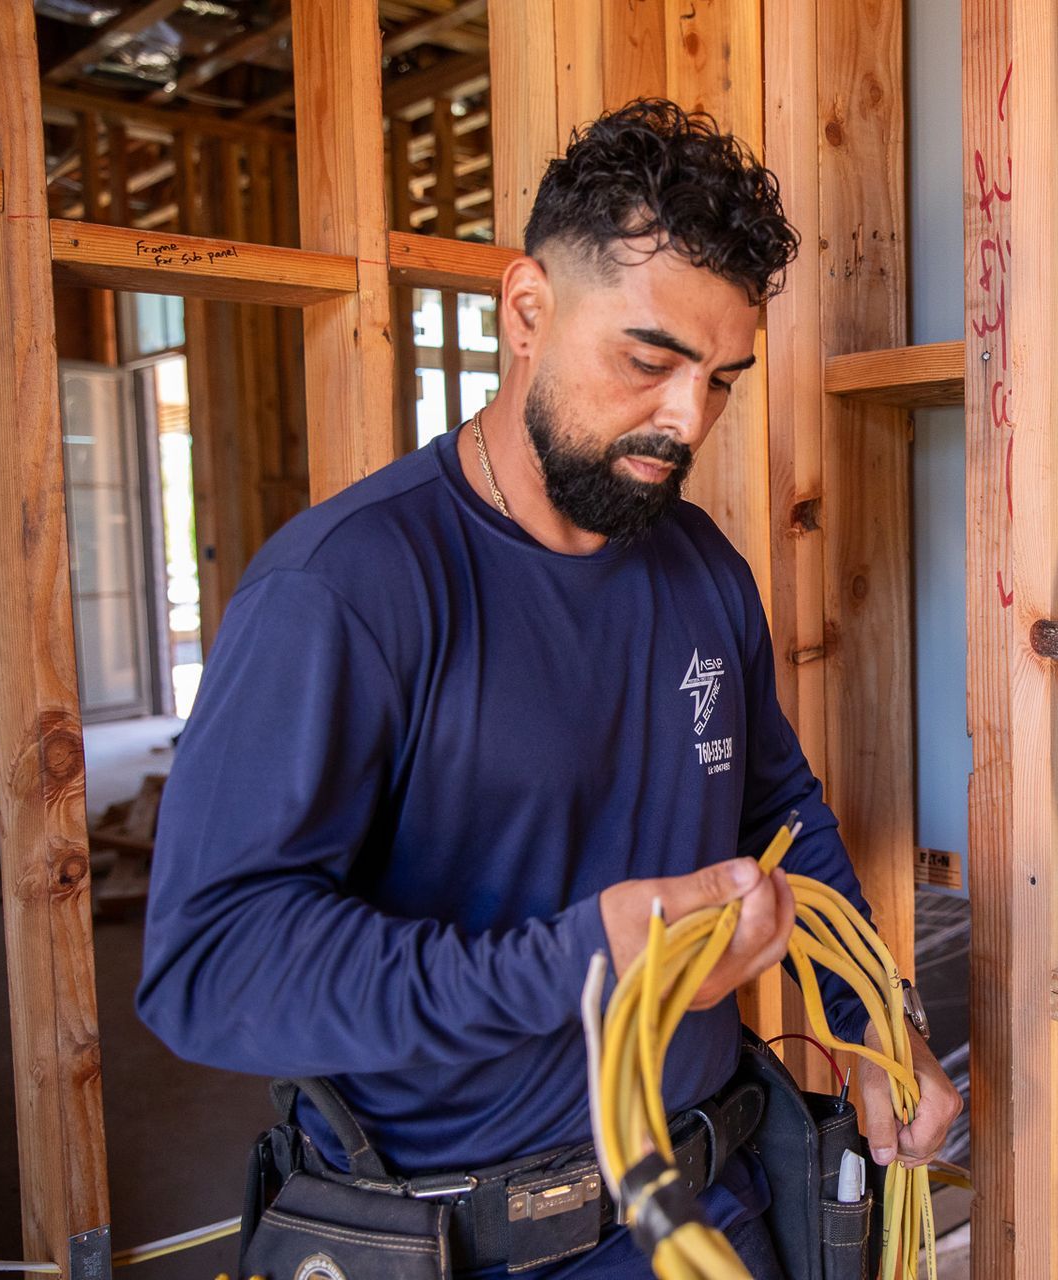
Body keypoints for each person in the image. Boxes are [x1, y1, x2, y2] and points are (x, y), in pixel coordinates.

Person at [137, 99, 962, 1278]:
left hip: (709, 1203)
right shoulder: (349, 590)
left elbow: (778, 815)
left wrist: (873, 1023)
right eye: (650, 359)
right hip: (459, 1240)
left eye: (723, 379)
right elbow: (209, 964)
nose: (688, 419)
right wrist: (580, 961)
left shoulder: (701, 570)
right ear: (527, 308)